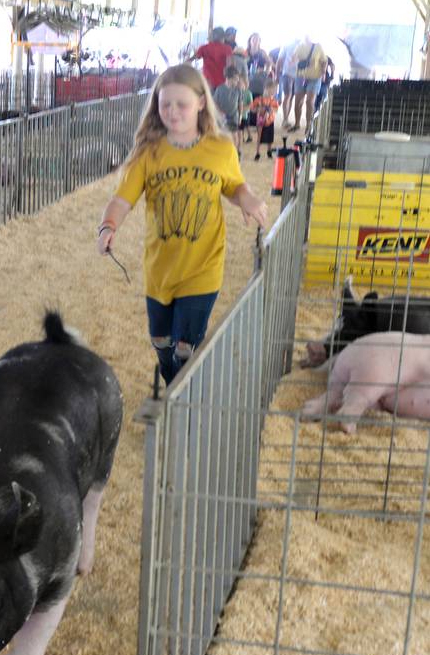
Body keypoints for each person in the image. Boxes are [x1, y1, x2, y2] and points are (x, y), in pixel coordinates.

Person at [96, 63, 269, 387]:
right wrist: (108, 226)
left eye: (182, 105)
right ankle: (172, 376)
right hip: (161, 268)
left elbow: (233, 185)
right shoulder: (149, 152)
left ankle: (180, 396)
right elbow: (123, 199)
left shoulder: (220, 147)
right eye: (165, 105)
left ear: (202, 102)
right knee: (161, 340)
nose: (173, 113)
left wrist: (247, 197)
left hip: (203, 266)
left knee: (187, 346)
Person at [287, 34, 327, 132]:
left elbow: (324, 61)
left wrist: (323, 72)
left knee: (310, 102)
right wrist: (294, 61)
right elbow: (293, 60)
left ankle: (309, 125)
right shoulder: (299, 47)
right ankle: (297, 124)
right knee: (298, 102)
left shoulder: (318, 47)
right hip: (301, 76)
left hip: (315, 77)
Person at [190, 26, 233, 90]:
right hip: (222, 83)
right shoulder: (227, 48)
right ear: (223, 37)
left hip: (208, 83)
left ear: (212, 37)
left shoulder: (204, 48)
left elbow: (192, 59)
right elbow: (229, 65)